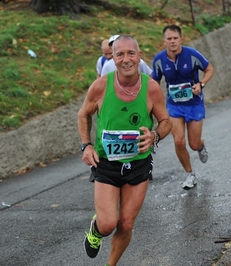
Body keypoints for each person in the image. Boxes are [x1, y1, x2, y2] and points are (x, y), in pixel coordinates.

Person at [78, 34, 172, 266]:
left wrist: (155, 135)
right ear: (114, 58)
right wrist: (87, 145)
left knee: (126, 223)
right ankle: (96, 229)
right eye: (120, 54)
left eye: (131, 53)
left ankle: (111, 264)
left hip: (138, 163)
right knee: (109, 223)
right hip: (107, 164)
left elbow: (166, 121)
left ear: (140, 57)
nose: (126, 59)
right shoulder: (101, 86)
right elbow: (83, 114)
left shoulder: (151, 88)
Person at [151, 24, 214, 189]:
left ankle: (201, 145)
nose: (172, 41)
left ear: (181, 39)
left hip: (194, 104)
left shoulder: (192, 54)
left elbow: (209, 69)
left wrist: (201, 84)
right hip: (174, 106)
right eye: (169, 39)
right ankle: (190, 174)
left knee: (193, 144)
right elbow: (154, 83)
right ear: (164, 41)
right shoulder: (159, 60)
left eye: (175, 38)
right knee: (179, 141)